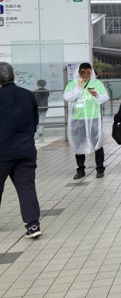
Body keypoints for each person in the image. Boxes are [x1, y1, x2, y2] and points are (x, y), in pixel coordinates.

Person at [0, 62, 42, 239]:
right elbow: (35, 121)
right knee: (26, 188)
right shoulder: (27, 95)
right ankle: (33, 225)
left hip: (2, 152)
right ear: (13, 76)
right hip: (25, 150)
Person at [63, 63, 109, 179]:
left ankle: (100, 169)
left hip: (94, 118)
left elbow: (105, 97)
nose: (86, 74)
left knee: (97, 143)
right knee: (79, 144)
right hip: (78, 119)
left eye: (88, 72)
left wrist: (96, 95)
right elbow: (67, 97)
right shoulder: (73, 84)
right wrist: (78, 87)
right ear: (79, 72)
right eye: (83, 72)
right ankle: (80, 170)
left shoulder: (97, 83)